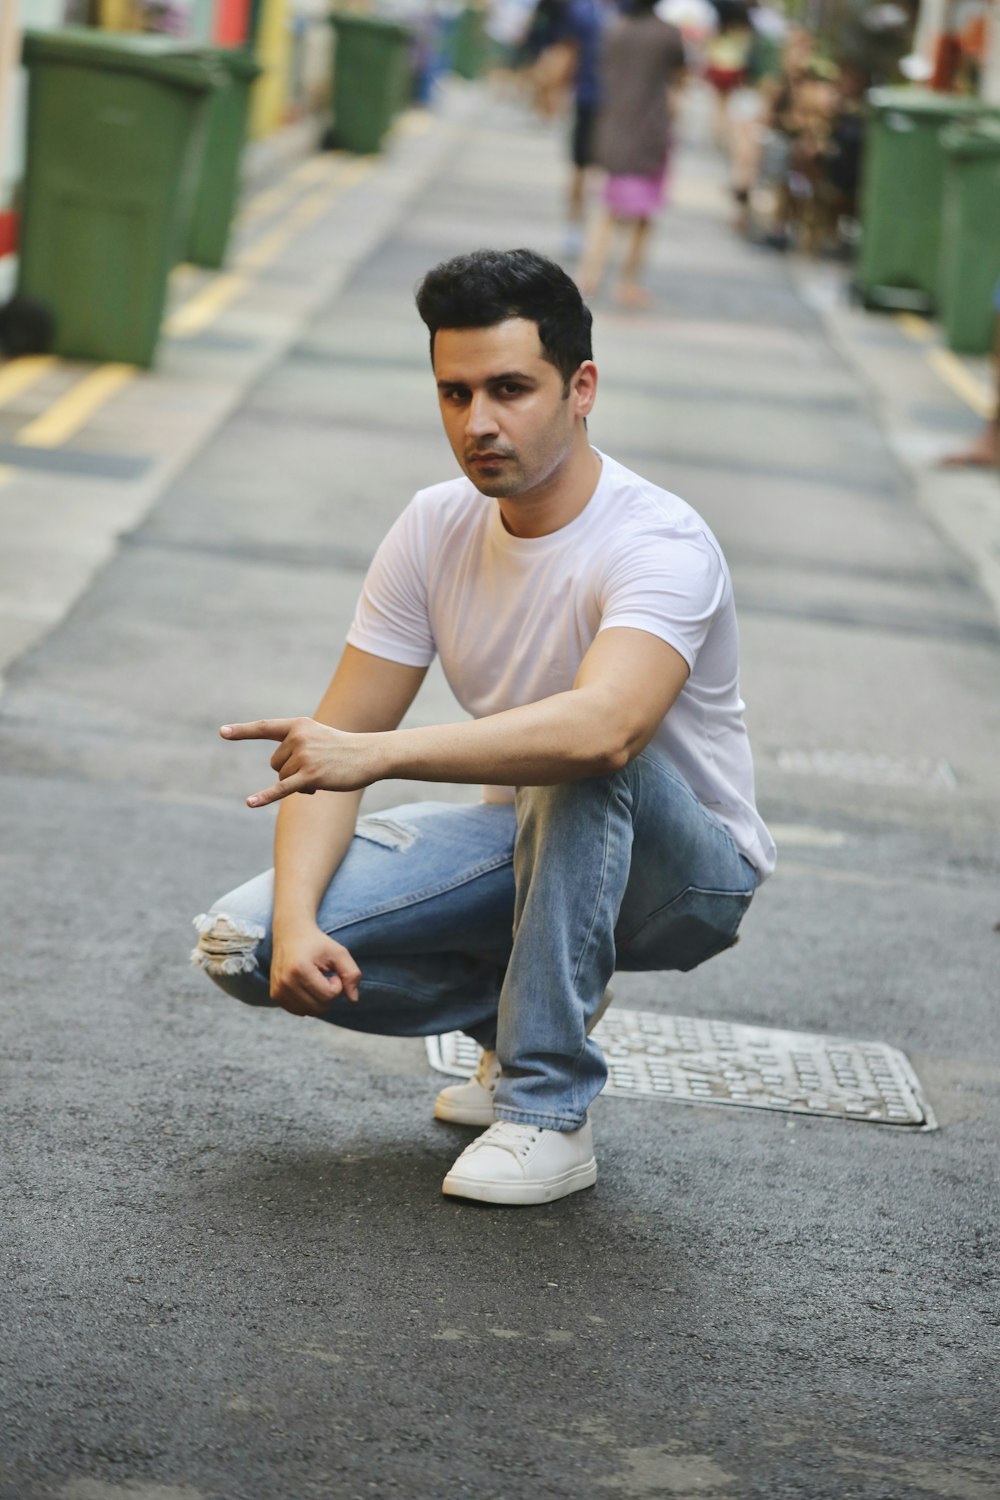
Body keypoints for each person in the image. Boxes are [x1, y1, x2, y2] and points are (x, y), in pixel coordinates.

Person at [193, 249, 775, 1207]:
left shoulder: (657, 540)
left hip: (687, 876)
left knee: (576, 750)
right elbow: (336, 741)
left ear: (581, 387)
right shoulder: (433, 527)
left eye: (510, 389)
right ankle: (514, 1031)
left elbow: (605, 732)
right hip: (535, 845)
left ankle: (548, 1108)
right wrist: (298, 923)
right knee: (245, 946)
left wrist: (375, 756)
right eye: (454, 394)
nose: (479, 423)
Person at [576, 0, 686, 305]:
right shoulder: (667, 35)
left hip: (614, 126)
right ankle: (628, 280)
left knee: (607, 208)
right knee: (643, 214)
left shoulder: (614, 30)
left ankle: (590, 273)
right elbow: (680, 78)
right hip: (651, 129)